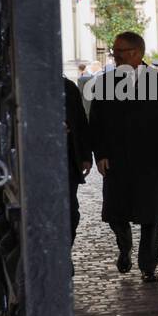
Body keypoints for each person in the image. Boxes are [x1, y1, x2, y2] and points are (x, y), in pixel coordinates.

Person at [87, 31, 158, 282]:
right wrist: (100, 155)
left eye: (120, 52)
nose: (115, 56)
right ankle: (124, 245)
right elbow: (95, 124)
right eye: (115, 52)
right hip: (117, 161)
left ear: (136, 53)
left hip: (154, 161)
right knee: (115, 213)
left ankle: (148, 265)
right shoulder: (103, 83)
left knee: (152, 215)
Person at [64, 76, 93, 244]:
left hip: (67, 159)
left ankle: (64, 250)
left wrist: (85, 156)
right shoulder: (24, 86)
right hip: (36, 162)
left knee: (71, 212)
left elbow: (81, 122)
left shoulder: (68, 87)